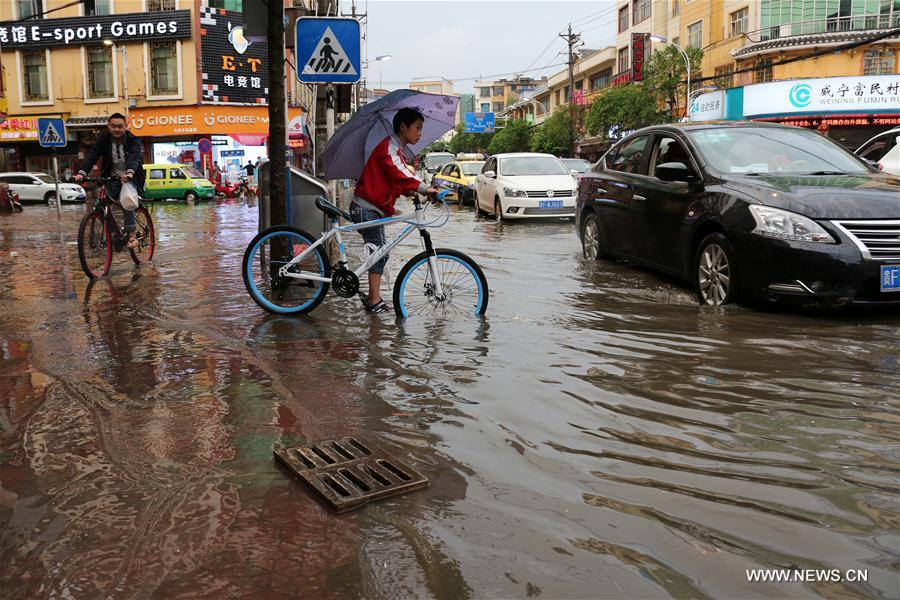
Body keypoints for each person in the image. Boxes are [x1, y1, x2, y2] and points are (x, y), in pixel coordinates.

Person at [352, 107, 438, 313]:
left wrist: (411, 193)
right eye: (417, 128)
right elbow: (399, 173)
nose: (419, 133)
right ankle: (374, 300)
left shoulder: (396, 148)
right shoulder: (389, 148)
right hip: (367, 207)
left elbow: (393, 181)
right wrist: (424, 188)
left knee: (380, 253)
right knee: (380, 253)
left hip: (372, 207)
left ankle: (374, 297)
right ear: (403, 127)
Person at [75, 113, 145, 248]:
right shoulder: (104, 140)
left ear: (126, 126)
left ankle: (131, 236)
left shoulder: (133, 140)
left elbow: (134, 157)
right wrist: (81, 173)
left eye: (120, 126)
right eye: (113, 126)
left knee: (127, 200)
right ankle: (115, 235)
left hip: (131, 177)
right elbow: (92, 156)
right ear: (108, 126)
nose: (117, 129)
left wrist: (129, 172)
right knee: (100, 204)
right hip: (110, 179)